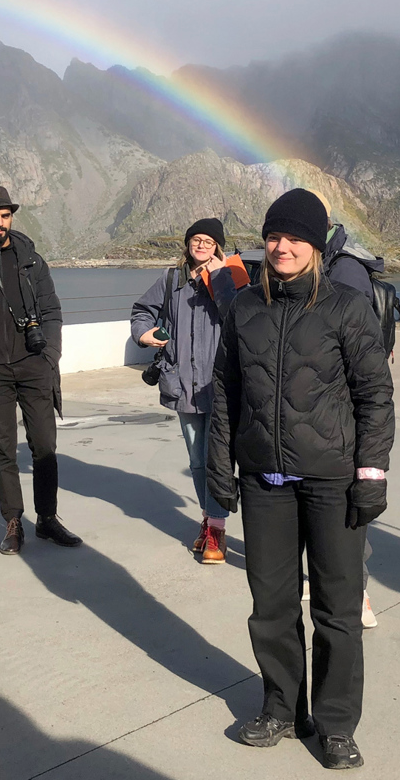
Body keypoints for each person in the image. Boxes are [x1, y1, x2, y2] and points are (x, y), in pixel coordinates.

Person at [207, 189, 394, 769]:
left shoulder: (345, 306)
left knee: (337, 608)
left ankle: (335, 724)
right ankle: (282, 708)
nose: (282, 247)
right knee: (271, 605)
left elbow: (374, 394)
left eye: (294, 238)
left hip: (332, 481)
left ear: (315, 245)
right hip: (265, 479)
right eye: (274, 236)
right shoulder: (243, 307)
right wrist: (220, 466)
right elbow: (224, 391)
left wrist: (370, 473)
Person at [0, 186, 82, 555]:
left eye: (5, 215)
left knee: (44, 446)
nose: (0, 222)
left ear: (12, 217)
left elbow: (52, 311)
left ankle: (47, 519)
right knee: (4, 450)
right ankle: (13, 521)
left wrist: (50, 358)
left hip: (34, 365)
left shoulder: (32, 260)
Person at [131, 218, 242, 563]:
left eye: (209, 241)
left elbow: (240, 317)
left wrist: (221, 278)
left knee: (216, 459)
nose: (202, 246)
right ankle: (209, 521)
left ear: (218, 246)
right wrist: (144, 333)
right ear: (188, 243)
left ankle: (217, 530)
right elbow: (141, 310)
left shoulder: (232, 276)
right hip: (182, 383)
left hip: (220, 383)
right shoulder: (171, 279)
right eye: (197, 239)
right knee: (197, 461)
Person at [320, 194, 386, 630]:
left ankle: (358, 593)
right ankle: (333, 581)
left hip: (339, 410)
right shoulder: (320, 261)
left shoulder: (343, 269)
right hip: (312, 409)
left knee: (346, 507)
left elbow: (363, 363)